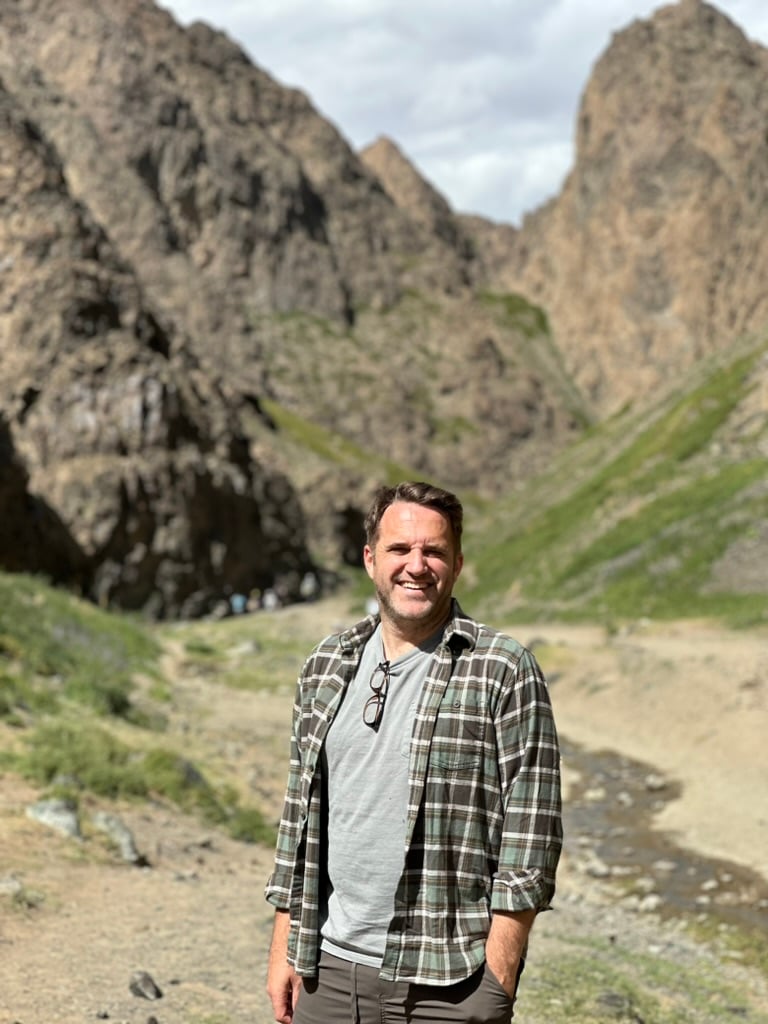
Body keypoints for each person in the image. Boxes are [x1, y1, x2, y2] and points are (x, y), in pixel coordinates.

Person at [265, 481, 562, 1024]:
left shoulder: (503, 668)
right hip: (325, 972)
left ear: (457, 563)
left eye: (434, 551)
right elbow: (299, 819)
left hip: (451, 981)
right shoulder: (327, 663)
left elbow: (532, 834)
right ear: (370, 558)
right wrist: (285, 942)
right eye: (400, 549)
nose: (416, 565)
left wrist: (498, 976)